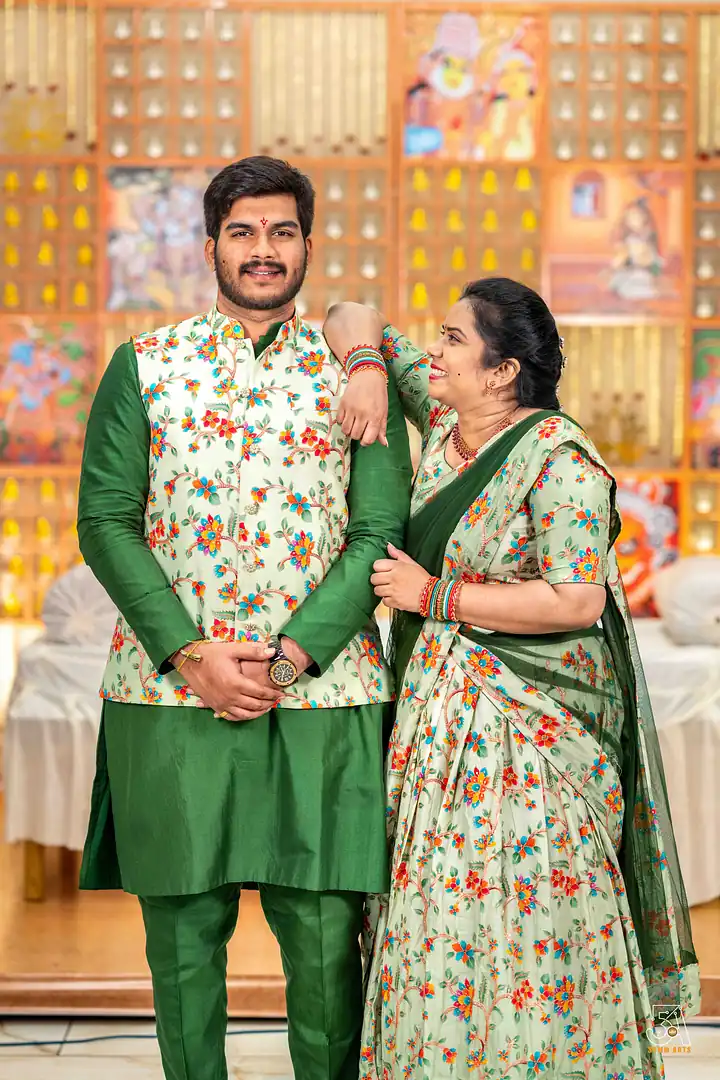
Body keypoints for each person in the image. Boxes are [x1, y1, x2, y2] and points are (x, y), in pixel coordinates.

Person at [77, 156, 413, 1080]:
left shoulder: (358, 375)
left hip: (326, 696)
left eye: (282, 232)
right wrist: (190, 654)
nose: (263, 250)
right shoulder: (145, 366)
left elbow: (379, 532)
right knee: (183, 946)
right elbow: (104, 519)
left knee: (326, 943)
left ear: (307, 244)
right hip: (171, 695)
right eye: (243, 232)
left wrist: (293, 656)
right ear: (210, 246)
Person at [324, 279, 699, 1080]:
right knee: (438, 910)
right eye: (439, 336)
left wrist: (435, 597)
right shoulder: (445, 419)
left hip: (532, 738)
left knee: (524, 915)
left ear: (502, 372)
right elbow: (353, 315)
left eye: (453, 339)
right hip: (433, 725)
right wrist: (364, 367)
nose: (434, 351)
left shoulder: (559, 459)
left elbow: (576, 598)